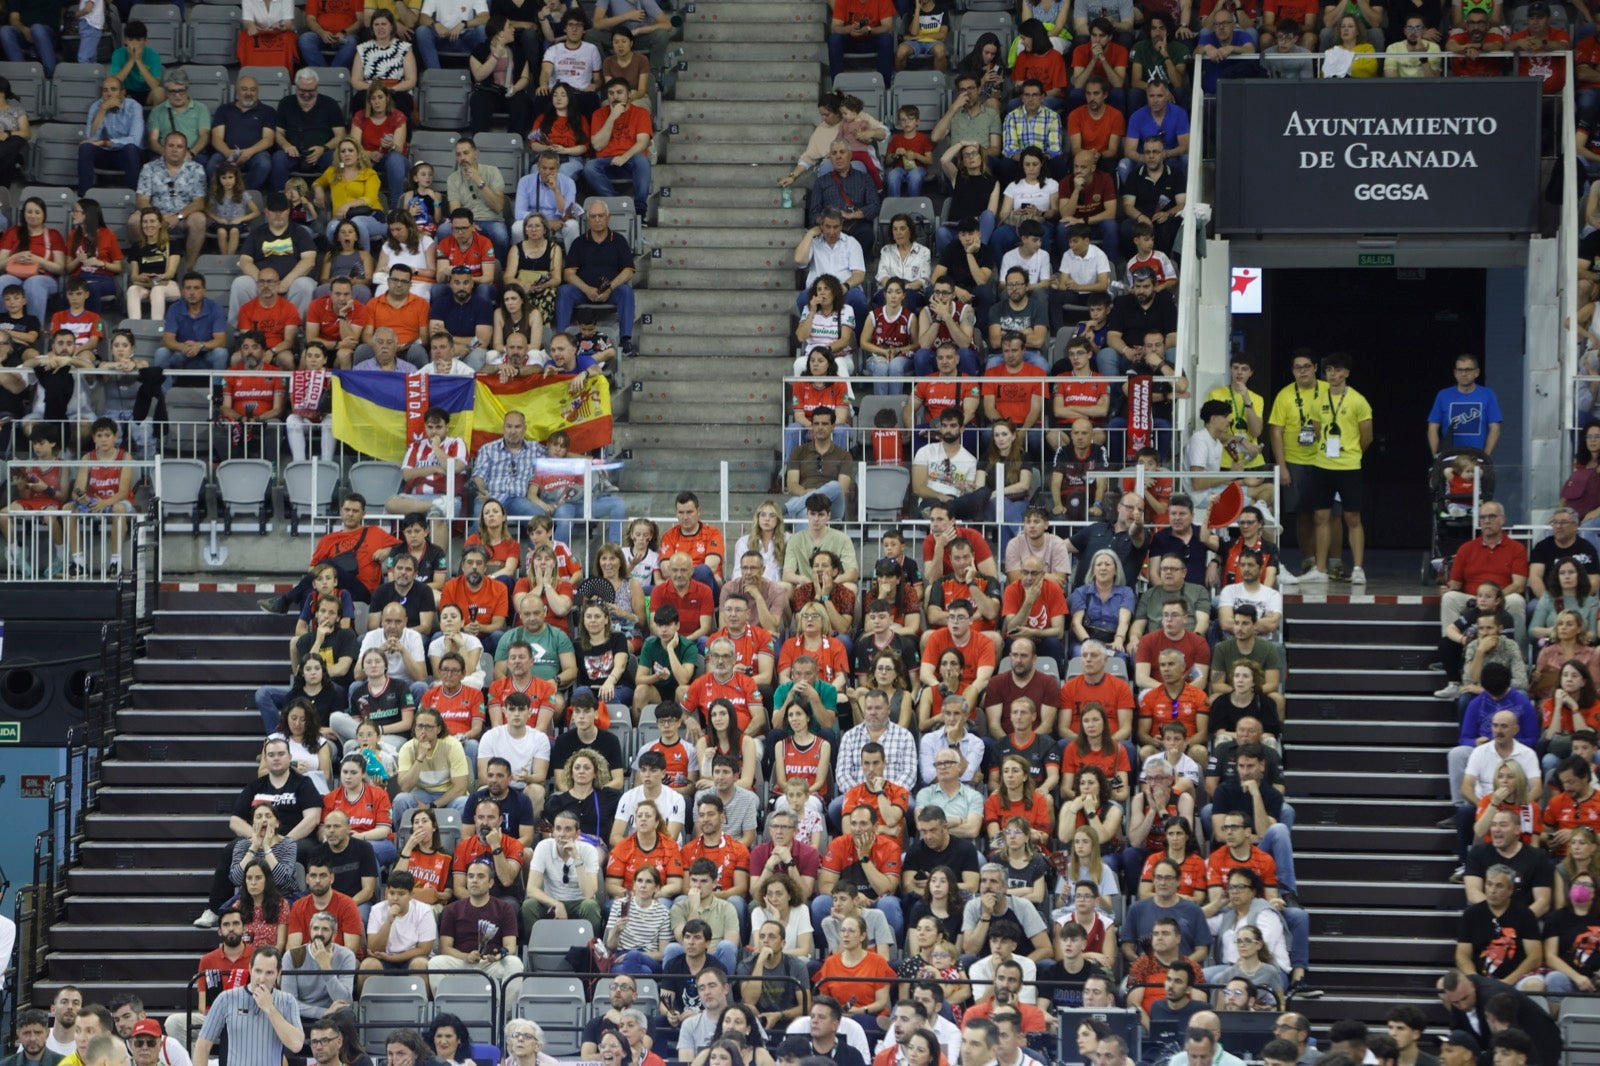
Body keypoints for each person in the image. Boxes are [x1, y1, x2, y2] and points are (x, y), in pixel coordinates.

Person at [190, 948, 304, 1066]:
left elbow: (296, 1045)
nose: (262, 978)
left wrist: (270, 1008)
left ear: (279, 973)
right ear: (250, 969)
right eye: (258, 971)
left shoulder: (288, 1001)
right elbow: (203, 1045)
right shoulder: (226, 998)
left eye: (269, 973)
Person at [1429, 354, 1503, 457]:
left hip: (1476, 457)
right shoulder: (1443, 395)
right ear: (1455, 373)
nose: (1463, 374)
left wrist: (1485, 456)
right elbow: (1433, 427)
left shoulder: (1487, 394)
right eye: (1460, 370)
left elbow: (1495, 428)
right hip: (1449, 457)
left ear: (1476, 372)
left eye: (1468, 370)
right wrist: (1436, 456)